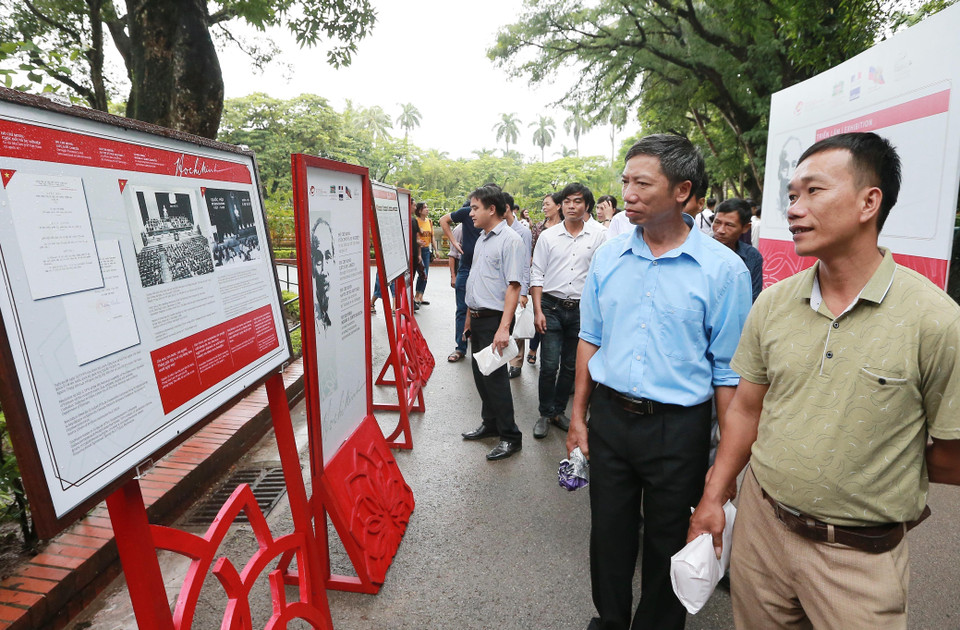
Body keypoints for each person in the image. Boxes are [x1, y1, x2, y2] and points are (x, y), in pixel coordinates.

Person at [688, 132, 960, 629]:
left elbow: (951, 453)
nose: (794, 208)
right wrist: (713, 497)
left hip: (859, 561)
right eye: (791, 195)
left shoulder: (935, 320)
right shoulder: (772, 302)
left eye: (813, 192)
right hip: (760, 535)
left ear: (868, 202)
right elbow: (747, 409)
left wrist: (873, 470)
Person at [569, 134, 751, 630]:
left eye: (642, 183)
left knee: (670, 539)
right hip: (610, 419)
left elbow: (728, 374)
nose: (627, 193)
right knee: (608, 531)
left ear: (681, 190)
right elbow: (590, 338)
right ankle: (609, 620)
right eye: (625, 181)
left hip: (679, 430)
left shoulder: (725, 272)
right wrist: (578, 416)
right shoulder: (608, 257)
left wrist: (724, 467)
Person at [530, 182, 606, 439]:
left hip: (582, 310)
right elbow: (537, 274)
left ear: (586, 206)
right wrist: (537, 311)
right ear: (561, 205)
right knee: (549, 364)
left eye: (577, 201)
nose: (572, 206)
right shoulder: (548, 236)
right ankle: (543, 412)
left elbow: (602, 275)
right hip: (551, 306)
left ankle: (557, 411)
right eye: (567, 201)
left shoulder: (598, 237)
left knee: (571, 367)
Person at [460, 185, 527, 461]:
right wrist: (467, 319)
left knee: (496, 379)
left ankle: (511, 436)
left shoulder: (511, 240)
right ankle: (490, 424)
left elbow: (514, 286)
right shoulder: (483, 238)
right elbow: (476, 281)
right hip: (477, 318)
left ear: (492, 209)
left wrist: (504, 327)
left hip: (494, 321)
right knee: (480, 375)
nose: (470, 213)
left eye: (475, 208)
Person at [440, 188, 487, 362]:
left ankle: (481, 348)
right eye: (472, 207)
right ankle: (460, 347)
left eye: (477, 207)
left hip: (485, 270)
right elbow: (443, 220)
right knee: (462, 309)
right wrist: (454, 242)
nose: (473, 212)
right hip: (466, 269)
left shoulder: (493, 217)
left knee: (483, 309)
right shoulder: (466, 213)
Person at [527, 192, 563, 365]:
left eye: (547, 204)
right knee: (539, 314)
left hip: (559, 281)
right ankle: (533, 348)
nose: (544, 207)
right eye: (543, 204)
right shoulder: (539, 228)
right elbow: (532, 254)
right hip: (540, 280)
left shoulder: (567, 226)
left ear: (558, 206)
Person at [502, 193, 532, 378]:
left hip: (517, 284)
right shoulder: (496, 228)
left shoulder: (523, 231)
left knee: (518, 326)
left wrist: (524, 291)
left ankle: (516, 362)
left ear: (506, 207)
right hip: (501, 285)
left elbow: (526, 263)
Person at [712, 198, 763, 302]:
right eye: (717, 222)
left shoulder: (752, 257)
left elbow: (753, 298)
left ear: (746, 227)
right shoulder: (697, 251)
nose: (720, 230)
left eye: (729, 225)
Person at [311, 216, 335, 331]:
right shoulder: (314, 317)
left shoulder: (333, 310)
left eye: (328, 257)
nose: (324, 271)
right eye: (319, 260)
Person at [414, 202, 433, 306]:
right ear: (419, 210)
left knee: (426, 274)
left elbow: (432, 236)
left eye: (427, 207)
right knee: (422, 273)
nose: (427, 209)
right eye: (424, 207)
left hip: (426, 250)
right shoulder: (415, 221)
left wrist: (436, 250)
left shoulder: (429, 222)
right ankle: (416, 296)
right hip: (418, 250)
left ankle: (420, 296)